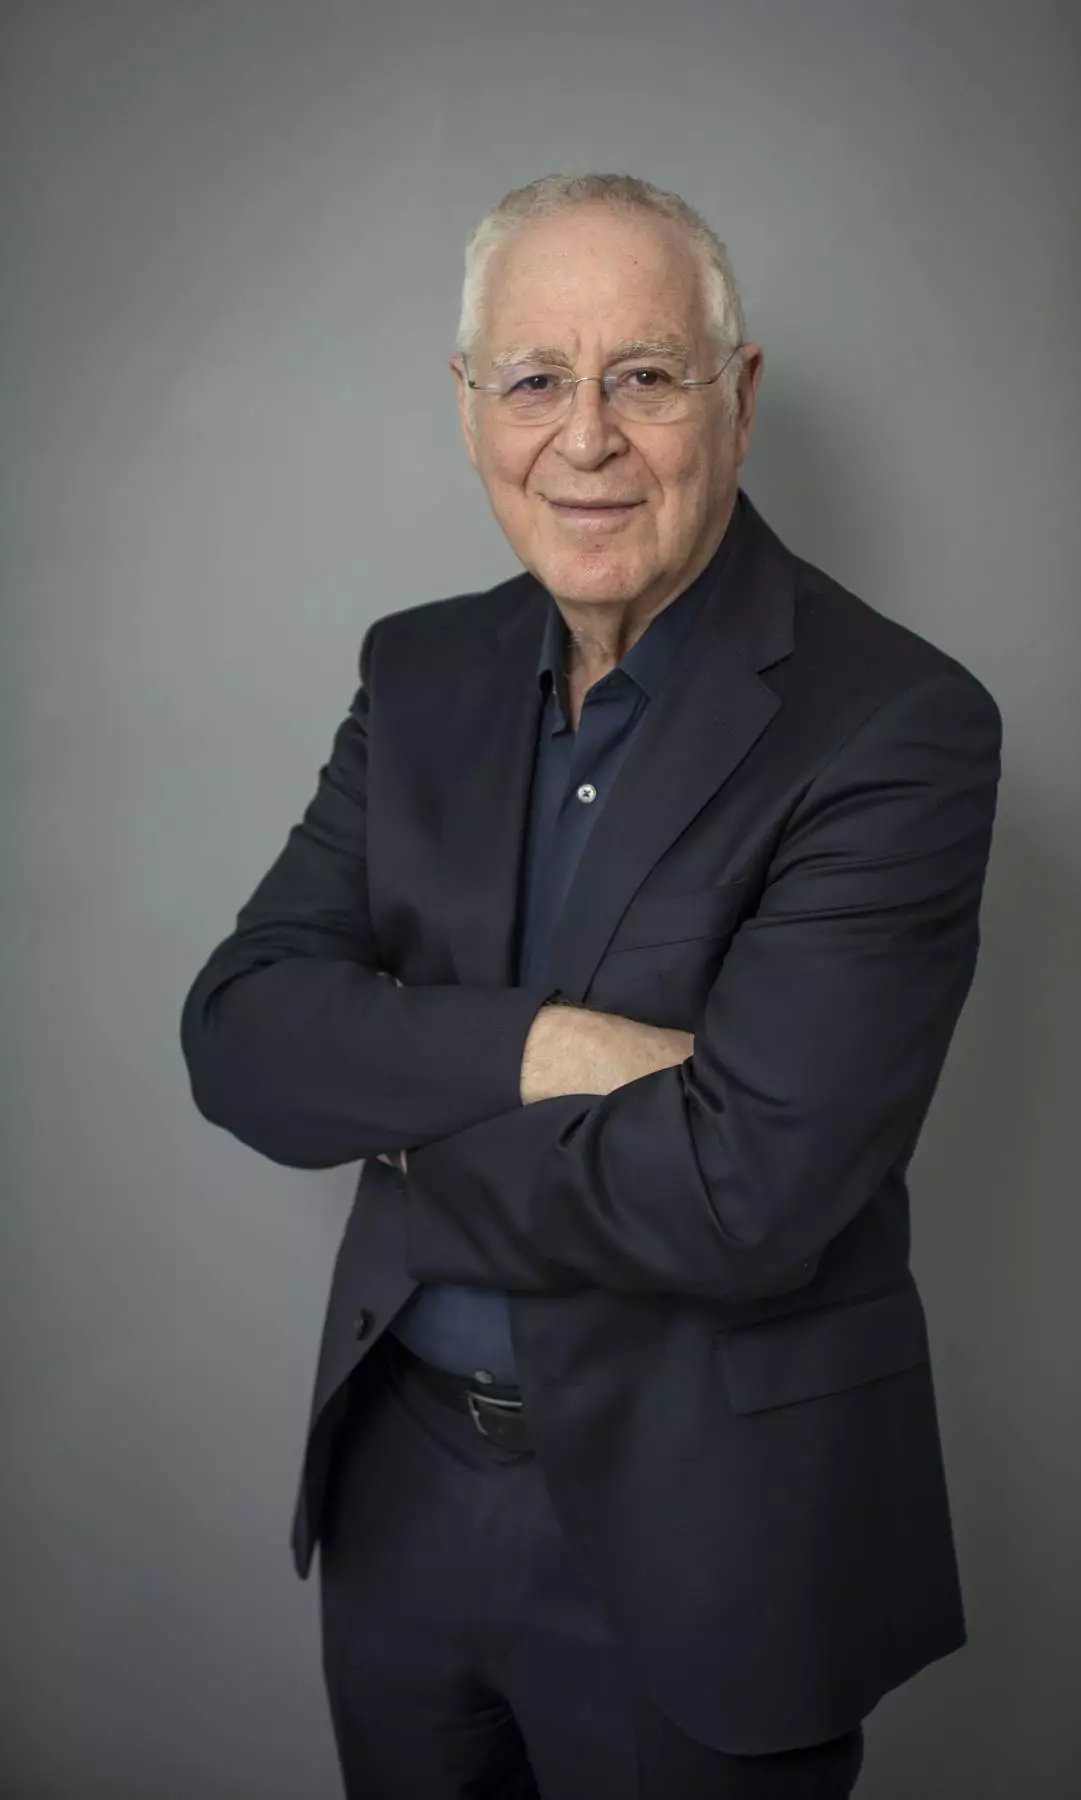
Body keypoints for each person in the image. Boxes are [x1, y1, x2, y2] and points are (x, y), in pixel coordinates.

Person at [181, 172, 1002, 1799]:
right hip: (402, 1493)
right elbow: (241, 1034)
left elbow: (747, 1193)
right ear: (469, 407)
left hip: (711, 1540)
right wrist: (548, 1050)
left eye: (644, 374)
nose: (586, 439)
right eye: (534, 380)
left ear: (737, 396)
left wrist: (403, 1119)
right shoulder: (417, 670)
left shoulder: (896, 725)